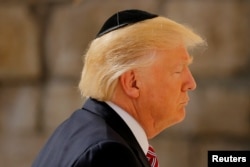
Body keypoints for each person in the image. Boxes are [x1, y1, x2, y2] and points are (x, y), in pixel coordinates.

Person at [32, 9, 205, 167]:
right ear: (132, 83)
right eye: (178, 70)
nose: (191, 83)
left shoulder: (76, 129)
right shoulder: (108, 154)